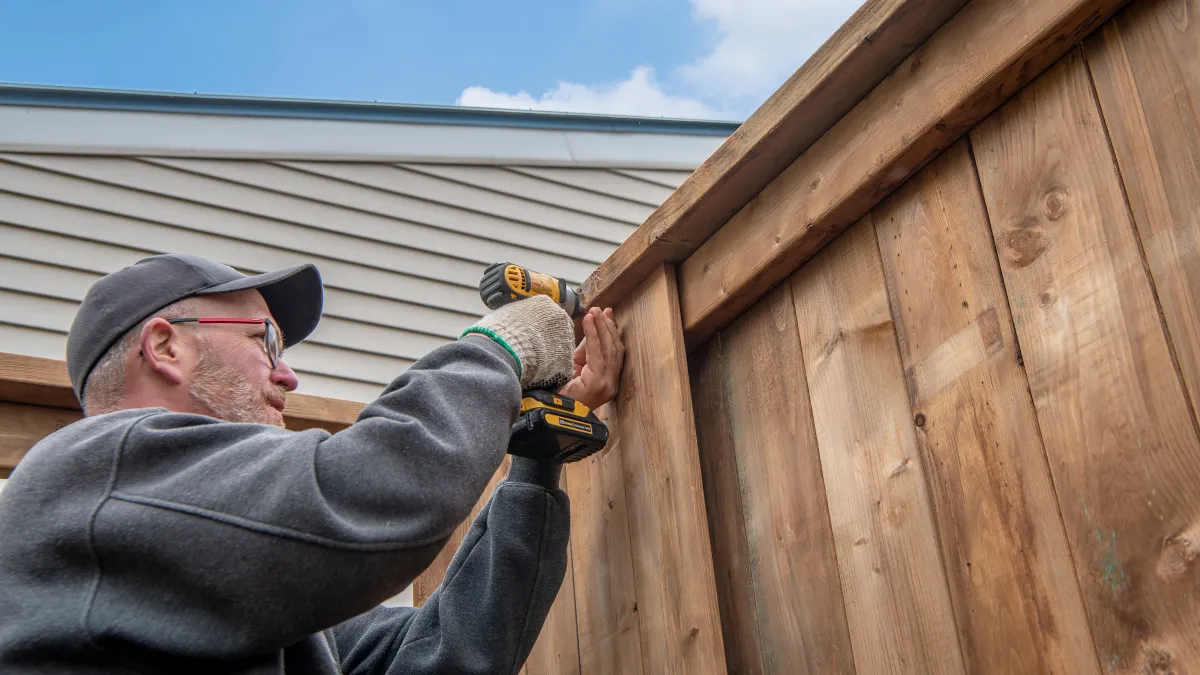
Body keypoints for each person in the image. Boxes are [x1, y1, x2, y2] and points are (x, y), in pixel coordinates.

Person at [0, 253, 625, 674]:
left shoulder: (245, 586)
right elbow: (375, 490)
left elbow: (449, 651)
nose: (288, 373)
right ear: (165, 346)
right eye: (263, 339)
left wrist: (536, 455)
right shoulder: (89, 471)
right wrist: (497, 348)